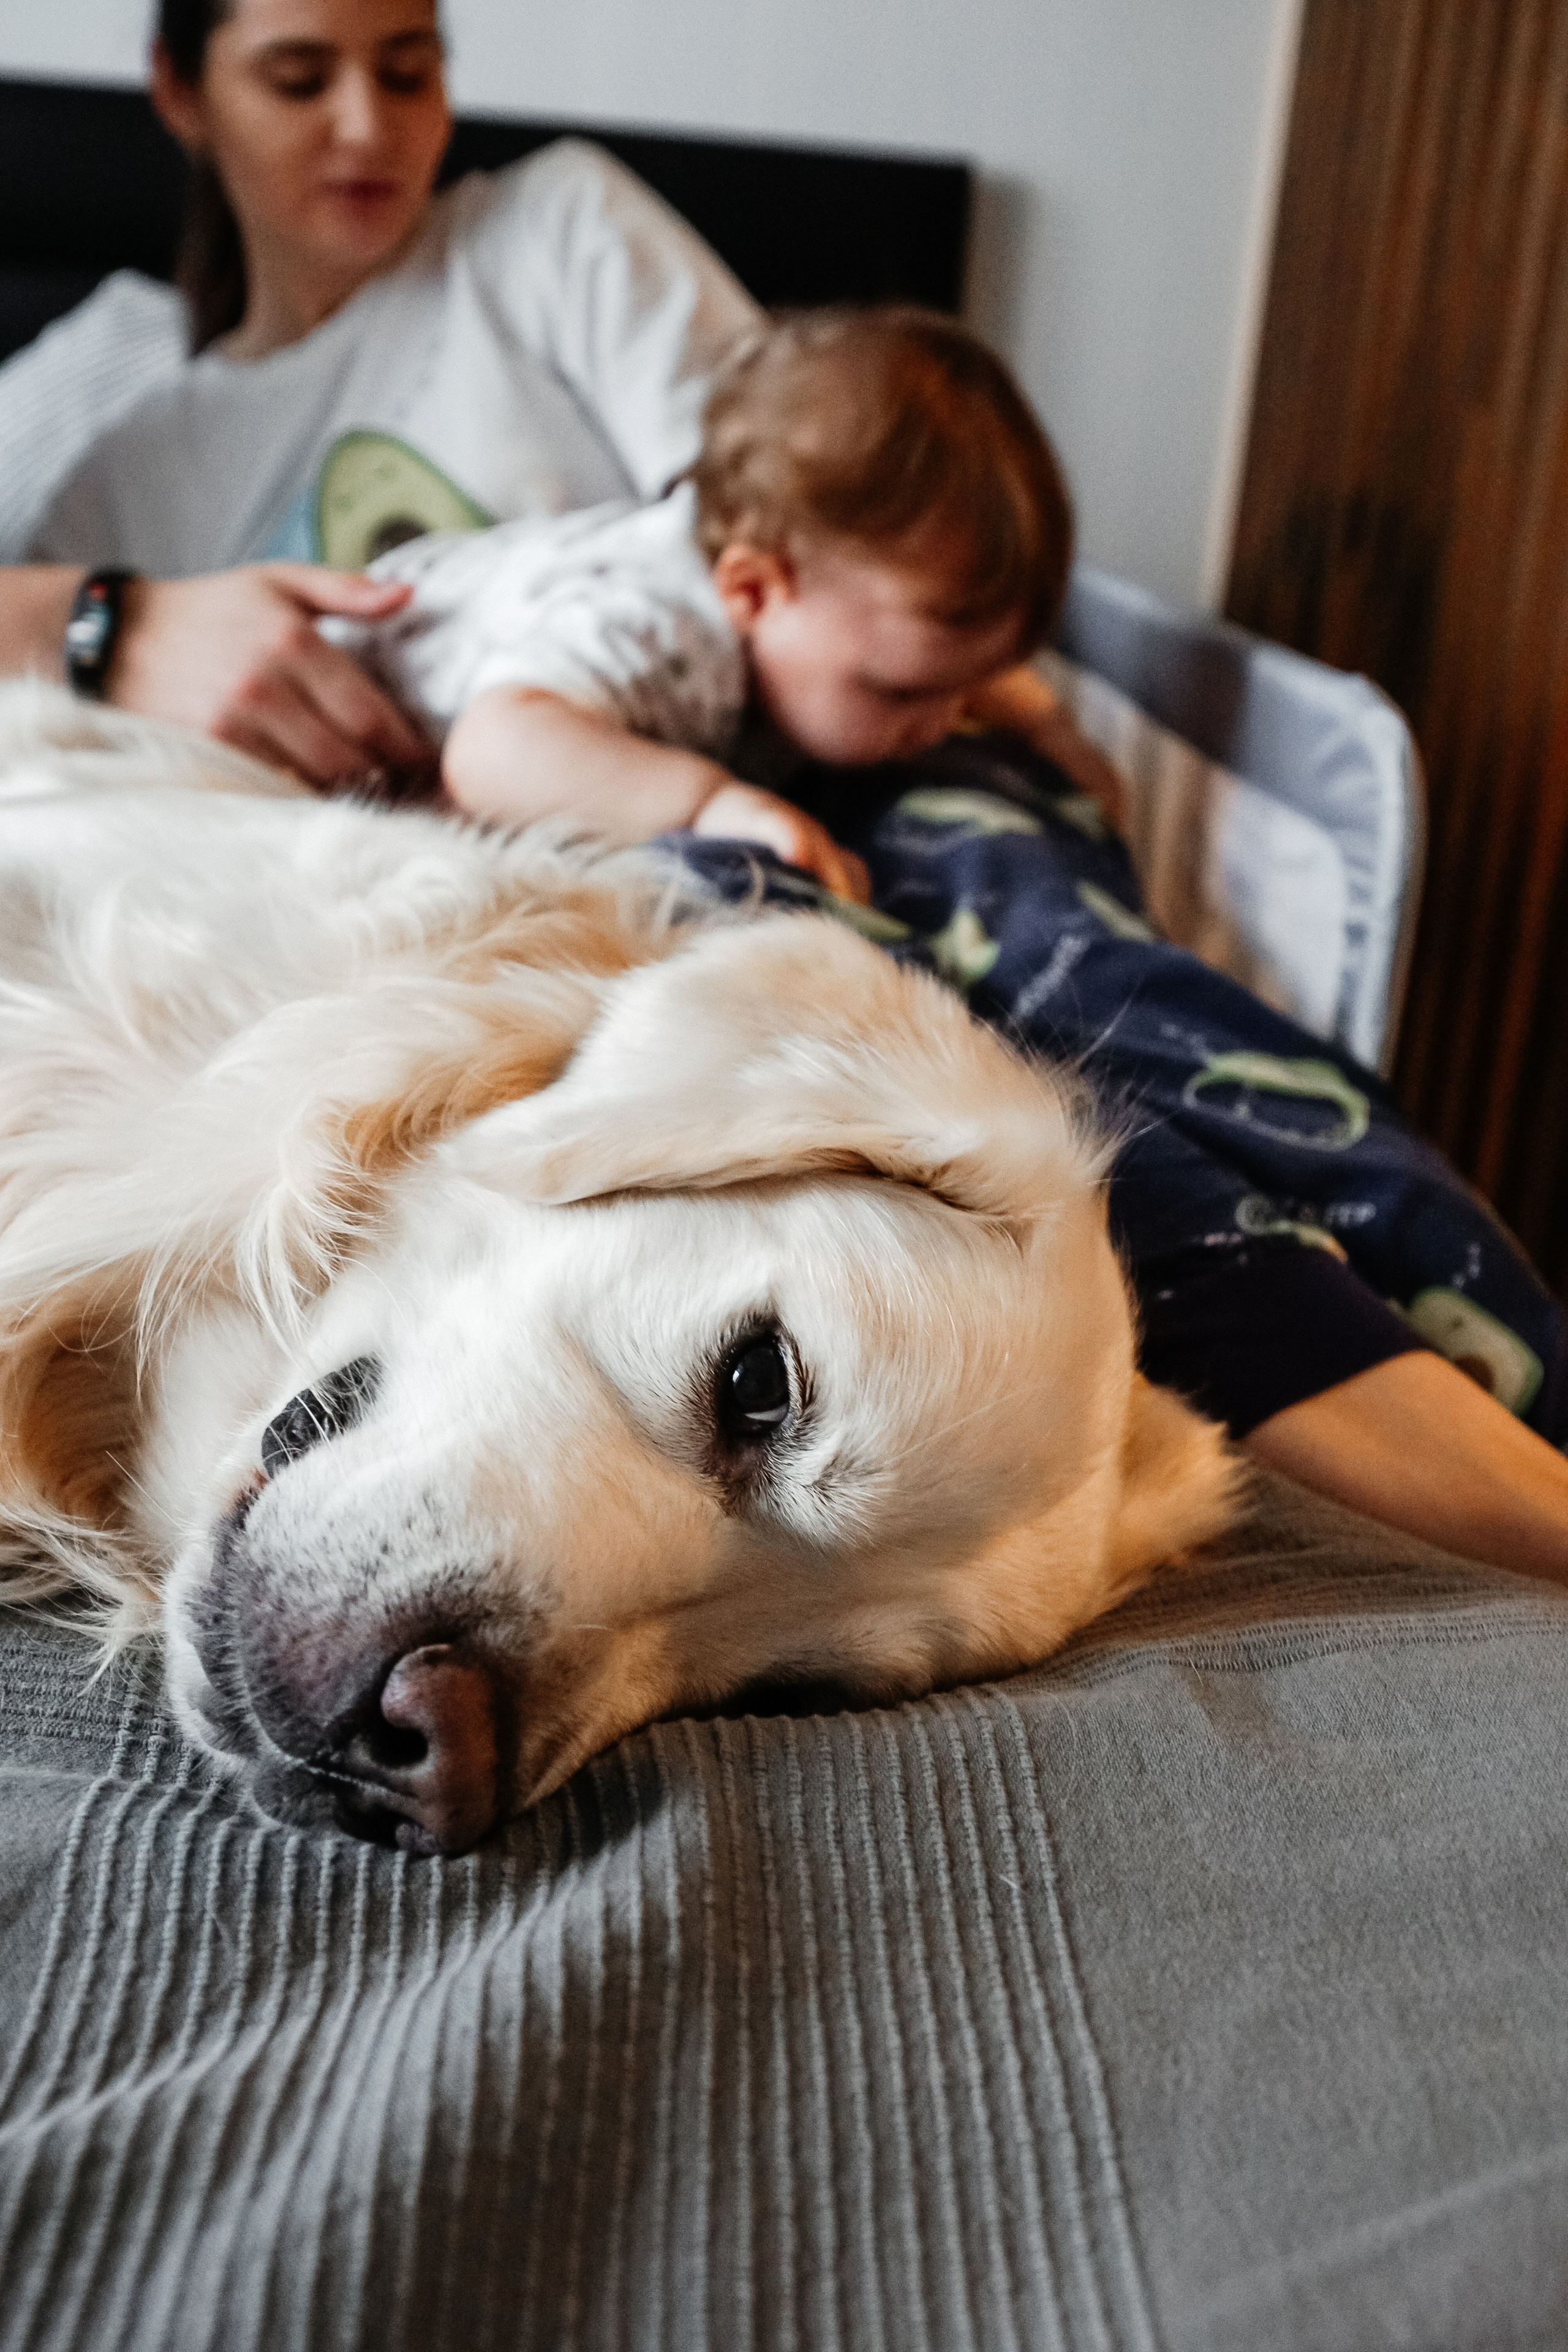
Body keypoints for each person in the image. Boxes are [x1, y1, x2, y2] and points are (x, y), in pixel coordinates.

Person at [0, 0, 763, 780]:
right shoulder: (127, 482)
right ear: (179, 91)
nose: (367, 128)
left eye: (407, 74)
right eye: (299, 82)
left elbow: (812, 529)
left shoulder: (559, 233)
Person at [325, 306, 1099, 900]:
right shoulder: (663, 631)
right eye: (898, 692)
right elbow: (491, 752)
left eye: (960, 686)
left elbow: (941, 651)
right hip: (336, 704)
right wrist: (706, 806)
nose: (937, 726)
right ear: (753, 589)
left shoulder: (837, 615)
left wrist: (1044, 722)